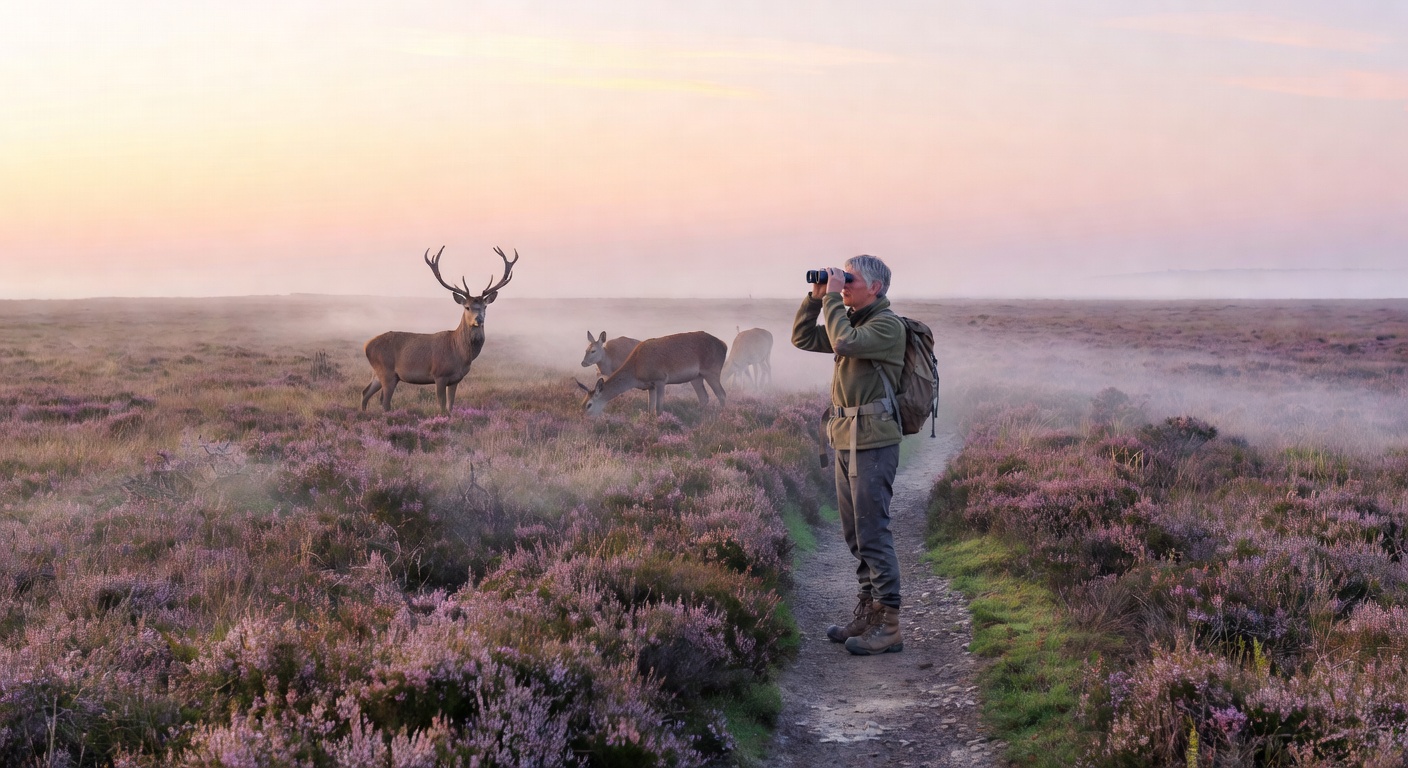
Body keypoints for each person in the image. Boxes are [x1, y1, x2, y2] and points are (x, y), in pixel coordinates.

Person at [791, 256, 907, 655]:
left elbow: (842, 342)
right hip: (845, 438)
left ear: (875, 287)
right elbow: (804, 339)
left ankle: (889, 627)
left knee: (873, 531)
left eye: (849, 279)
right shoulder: (853, 320)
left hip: (874, 441)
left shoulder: (886, 326)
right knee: (855, 534)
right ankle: (869, 614)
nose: (843, 284)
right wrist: (816, 297)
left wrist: (833, 306)